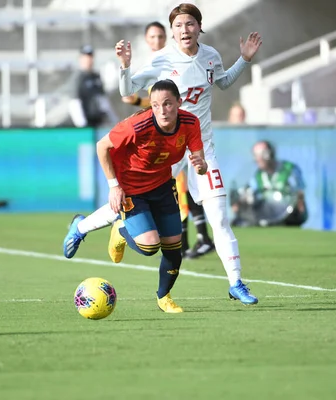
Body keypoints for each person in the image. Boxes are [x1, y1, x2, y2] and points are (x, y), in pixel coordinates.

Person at [64, 3, 261, 305]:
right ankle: (82, 227)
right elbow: (127, 91)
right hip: (164, 150)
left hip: (200, 148)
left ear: (199, 27)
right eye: (179, 25)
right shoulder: (162, 59)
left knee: (219, 218)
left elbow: (222, 82)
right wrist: (125, 66)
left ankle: (236, 283)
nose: (185, 30)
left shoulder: (211, 56)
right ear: (172, 31)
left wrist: (244, 60)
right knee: (129, 202)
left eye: (190, 24)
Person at [96, 79, 207, 313]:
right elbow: (101, 146)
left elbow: (201, 164)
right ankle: (121, 230)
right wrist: (114, 186)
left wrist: (201, 166)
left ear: (179, 102)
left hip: (163, 185)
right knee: (149, 247)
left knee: (173, 249)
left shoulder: (190, 122)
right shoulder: (137, 125)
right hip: (132, 188)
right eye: (156, 105)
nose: (162, 110)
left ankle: (164, 297)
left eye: (167, 104)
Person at [120, 20, 215, 259]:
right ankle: (183, 238)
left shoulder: (174, 60)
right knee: (169, 187)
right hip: (160, 136)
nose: (157, 41)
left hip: (181, 134)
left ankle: (193, 238)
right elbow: (132, 97)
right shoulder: (156, 64)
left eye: (160, 37)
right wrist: (143, 104)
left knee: (182, 187)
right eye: (152, 38)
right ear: (146, 40)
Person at [231, 141, 307, 227]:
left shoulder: (288, 169)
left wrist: (300, 203)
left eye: (261, 154)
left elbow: (299, 190)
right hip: (267, 214)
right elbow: (250, 191)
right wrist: (240, 201)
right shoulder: (259, 175)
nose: (257, 159)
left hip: (289, 214)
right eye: (255, 155)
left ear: (270, 154)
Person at [68, 45, 118, 127]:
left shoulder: (96, 77)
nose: (89, 60)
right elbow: (74, 103)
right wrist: (83, 126)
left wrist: (114, 120)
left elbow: (103, 100)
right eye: (86, 57)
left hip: (98, 122)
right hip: (86, 123)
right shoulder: (78, 78)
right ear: (80, 58)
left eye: (91, 57)